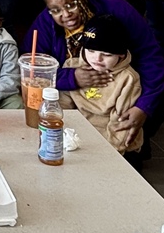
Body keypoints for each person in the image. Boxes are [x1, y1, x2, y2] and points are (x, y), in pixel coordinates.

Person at [30, 0, 164, 154]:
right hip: (77, 106)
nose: (66, 15)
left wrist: (143, 107)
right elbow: (34, 69)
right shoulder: (45, 23)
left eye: (71, 4)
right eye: (56, 10)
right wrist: (71, 77)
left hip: (117, 95)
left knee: (126, 134)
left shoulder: (117, 9)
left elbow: (151, 57)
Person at [58, 14, 143, 153]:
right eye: (91, 51)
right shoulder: (71, 66)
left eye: (107, 54)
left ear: (121, 55)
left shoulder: (128, 79)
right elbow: (63, 107)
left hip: (111, 142)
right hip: (76, 137)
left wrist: (107, 154)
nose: (97, 59)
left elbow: (121, 127)